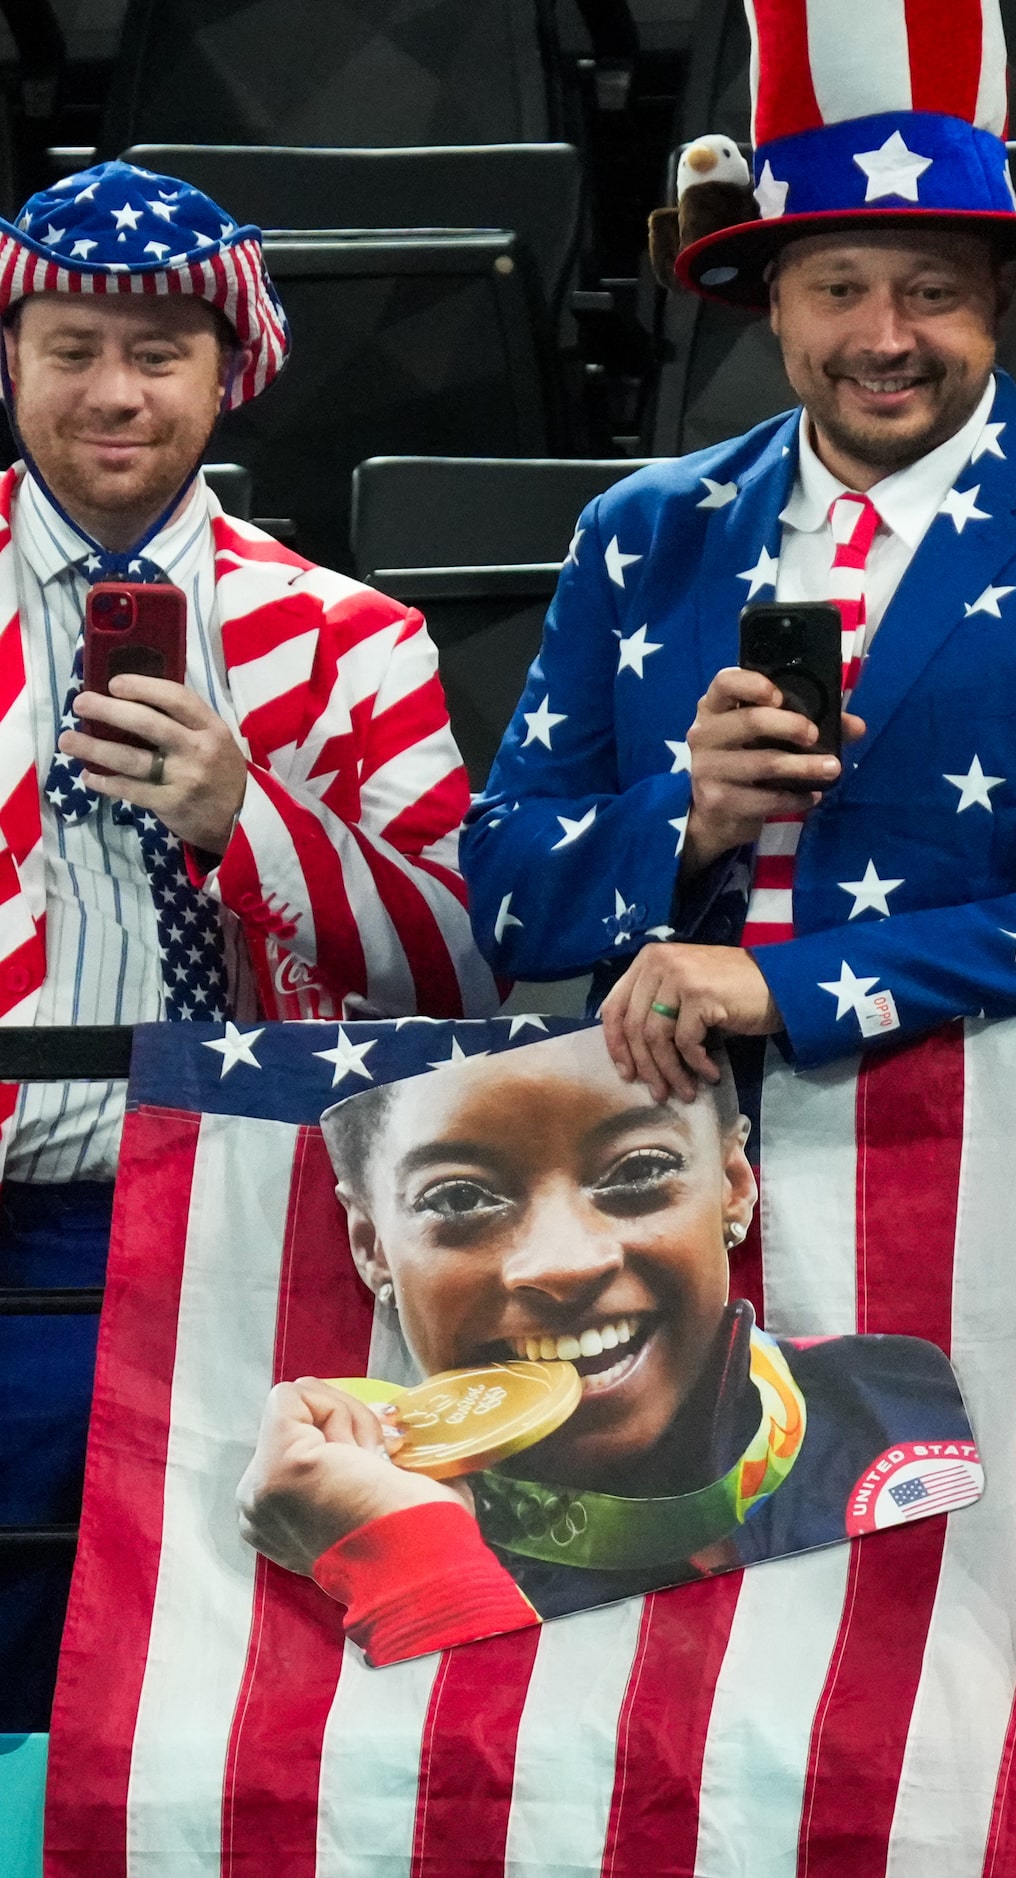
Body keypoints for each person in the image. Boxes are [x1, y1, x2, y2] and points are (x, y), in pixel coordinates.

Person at [458, 1, 1016, 1113]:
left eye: (931, 290)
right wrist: (693, 818)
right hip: (665, 1166)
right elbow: (506, 894)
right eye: (837, 289)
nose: (883, 338)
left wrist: (785, 986)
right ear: (771, 302)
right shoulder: (639, 531)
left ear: (1000, 301)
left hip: (981, 1169)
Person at [0, 159, 493, 1728]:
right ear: (10, 361)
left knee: (226, 1673)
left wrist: (244, 818)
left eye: (158, 352)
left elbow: (462, 962)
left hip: (251, 1242)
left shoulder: (353, 641)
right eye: (71, 346)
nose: (113, 391)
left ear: (232, 373)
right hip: (12, 1214)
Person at [237, 1027, 980, 1663]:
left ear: (733, 1184)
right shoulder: (315, 1517)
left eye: (640, 1170)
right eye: (459, 1197)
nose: (564, 1263)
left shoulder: (916, 1403)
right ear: (370, 1248)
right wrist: (405, 1558)